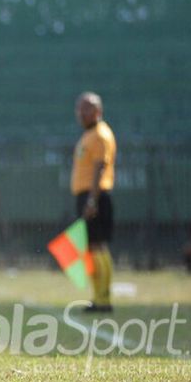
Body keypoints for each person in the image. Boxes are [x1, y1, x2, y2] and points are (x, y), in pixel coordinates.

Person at [71, 92, 116, 313]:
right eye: (79, 108)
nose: (81, 112)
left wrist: (92, 200)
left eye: (86, 108)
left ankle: (104, 298)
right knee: (90, 246)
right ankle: (98, 297)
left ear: (98, 111)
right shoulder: (89, 135)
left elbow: (100, 167)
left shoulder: (100, 134)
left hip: (94, 196)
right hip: (87, 195)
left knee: (98, 245)